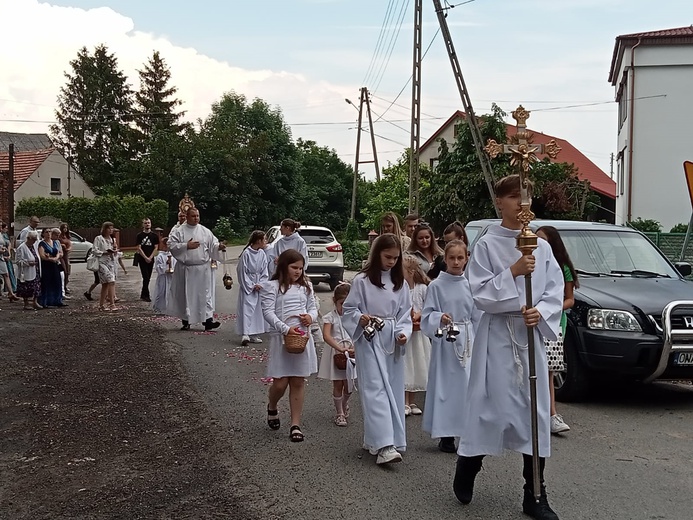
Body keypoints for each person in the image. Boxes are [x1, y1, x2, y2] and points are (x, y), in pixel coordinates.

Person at [454, 174, 564, 520]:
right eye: (515, 197)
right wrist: (514, 270)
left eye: (527, 197)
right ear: (499, 202)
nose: (522, 204)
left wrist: (541, 311)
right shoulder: (487, 244)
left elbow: (554, 290)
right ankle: (468, 464)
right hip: (497, 338)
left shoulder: (542, 247)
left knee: (534, 415)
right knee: (491, 409)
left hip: (528, 337)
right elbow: (480, 292)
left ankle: (535, 494)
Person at [342, 233, 412, 465]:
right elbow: (349, 309)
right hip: (370, 338)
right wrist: (360, 318)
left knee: (391, 388)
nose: (391, 262)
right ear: (377, 254)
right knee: (375, 389)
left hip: (391, 339)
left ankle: (382, 438)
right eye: (387, 257)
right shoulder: (362, 281)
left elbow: (405, 314)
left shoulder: (400, 282)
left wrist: (404, 333)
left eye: (395, 258)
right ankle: (384, 445)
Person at [421, 240, 480, 453]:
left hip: (468, 341)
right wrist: (439, 317)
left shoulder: (471, 285)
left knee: (466, 387)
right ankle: (446, 434)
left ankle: (465, 432)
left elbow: (477, 315)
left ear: (466, 259)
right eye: (452, 258)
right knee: (446, 388)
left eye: (460, 258)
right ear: (445, 259)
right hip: (446, 341)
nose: (456, 262)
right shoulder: (436, 286)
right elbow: (427, 315)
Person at [260, 249, 318, 443]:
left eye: (301, 268)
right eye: (294, 267)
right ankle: (272, 405)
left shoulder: (306, 286)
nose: (298, 272)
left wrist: (311, 317)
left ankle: (295, 424)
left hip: (301, 337)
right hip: (282, 337)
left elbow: (313, 308)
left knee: (298, 381)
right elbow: (268, 312)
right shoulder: (272, 286)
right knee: (280, 382)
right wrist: (285, 328)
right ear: (283, 266)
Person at [537, 225, 578, 435]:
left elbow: (569, 299)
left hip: (553, 324)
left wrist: (551, 307)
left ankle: (552, 414)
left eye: (543, 240)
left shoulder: (563, 268)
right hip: (532, 321)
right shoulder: (532, 265)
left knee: (549, 371)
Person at [167, 208, 226, 331]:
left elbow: (212, 245)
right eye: (193, 216)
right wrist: (186, 246)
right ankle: (186, 320)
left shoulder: (205, 231)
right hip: (186, 269)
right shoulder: (179, 231)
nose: (196, 218)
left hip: (202, 269)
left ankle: (208, 321)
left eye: (198, 216)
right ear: (187, 217)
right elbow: (171, 246)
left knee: (205, 295)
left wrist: (218, 247)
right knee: (186, 295)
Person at [317, 283, 354, 427]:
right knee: (338, 383)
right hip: (336, 352)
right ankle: (339, 412)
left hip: (351, 354)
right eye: (342, 304)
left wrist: (354, 348)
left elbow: (359, 334)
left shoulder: (353, 317)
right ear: (335, 301)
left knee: (349, 385)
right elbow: (326, 336)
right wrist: (339, 348)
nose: (344, 308)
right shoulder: (330, 317)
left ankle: (344, 403)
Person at [402, 255, 431, 417]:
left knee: (416, 365)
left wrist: (419, 314)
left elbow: (428, 307)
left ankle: (412, 400)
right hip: (406, 333)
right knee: (406, 365)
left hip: (418, 334)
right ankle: (404, 401)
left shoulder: (422, 288)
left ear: (411, 272)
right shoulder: (401, 289)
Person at [237, 230, 269, 346]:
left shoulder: (262, 254)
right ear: (259, 241)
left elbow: (265, 271)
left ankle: (255, 333)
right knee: (247, 309)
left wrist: (261, 283)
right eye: (264, 239)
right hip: (248, 285)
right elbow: (242, 271)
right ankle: (245, 333)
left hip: (258, 284)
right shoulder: (246, 253)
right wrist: (250, 285)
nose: (266, 242)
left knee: (257, 310)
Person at [93, 222, 118, 311]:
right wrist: (104, 252)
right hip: (102, 262)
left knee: (105, 284)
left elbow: (114, 252)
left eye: (112, 228)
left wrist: (114, 251)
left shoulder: (112, 239)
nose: (111, 230)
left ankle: (101, 305)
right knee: (111, 280)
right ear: (105, 229)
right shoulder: (99, 238)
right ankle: (112, 304)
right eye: (109, 228)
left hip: (110, 262)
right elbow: (94, 250)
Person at [38, 228, 65, 308]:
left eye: (50, 232)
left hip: (55, 264)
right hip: (46, 265)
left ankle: (57, 300)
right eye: (46, 232)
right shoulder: (42, 244)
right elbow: (42, 255)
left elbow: (59, 253)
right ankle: (46, 302)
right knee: (47, 282)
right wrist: (50, 259)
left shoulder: (55, 242)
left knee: (57, 281)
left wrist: (56, 258)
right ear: (43, 234)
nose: (48, 233)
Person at [15, 231, 42, 310]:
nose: (34, 241)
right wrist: (28, 263)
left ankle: (35, 302)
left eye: (35, 239)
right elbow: (18, 261)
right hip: (26, 271)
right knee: (26, 288)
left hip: (35, 270)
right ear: (28, 238)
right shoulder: (21, 247)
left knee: (36, 287)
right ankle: (26, 303)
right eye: (33, 239)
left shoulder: (34, 246)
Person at [134, 218, 159, 302]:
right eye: (145, 223)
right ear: (143, 225)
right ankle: (146, 295)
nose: (147, 224)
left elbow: (156, 248)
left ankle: (143, 293)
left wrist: (150, 257)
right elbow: (138, 247)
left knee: (148, 276)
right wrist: (145, 257)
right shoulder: (139, 235)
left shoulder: (154, 236)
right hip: (142, 259)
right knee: (145, 277)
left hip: (151, 259)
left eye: (148, 223)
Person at [152, 237, 176, 314]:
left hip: (172, 277)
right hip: (163, 277)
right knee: (161, 291)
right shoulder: (160, 256)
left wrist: (173, 269)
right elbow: (158, 267)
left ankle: (171, 308)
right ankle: (159, 308)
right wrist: (166, 264)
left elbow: (177, 264)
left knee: (171, 292)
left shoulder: (174, 255)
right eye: (165, 246)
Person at [0, 222, 18, 302]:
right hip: (1, 255)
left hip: (1, 257)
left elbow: (6, 243)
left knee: (6, 274)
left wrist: (4, 249)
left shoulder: (1, 234)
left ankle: (11, 293)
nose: (1, 227)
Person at [59, 223, 72, 295]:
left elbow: (70, 245)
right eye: (64, 228)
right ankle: (62, 286)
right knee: (64, 270)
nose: (65, 229)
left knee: (68, 271)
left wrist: (69, 248)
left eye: (66, 228)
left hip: (66, 255)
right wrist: (62, 245)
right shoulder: (59, 237)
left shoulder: (67, 236)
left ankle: (65, 286)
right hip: (61, 255)